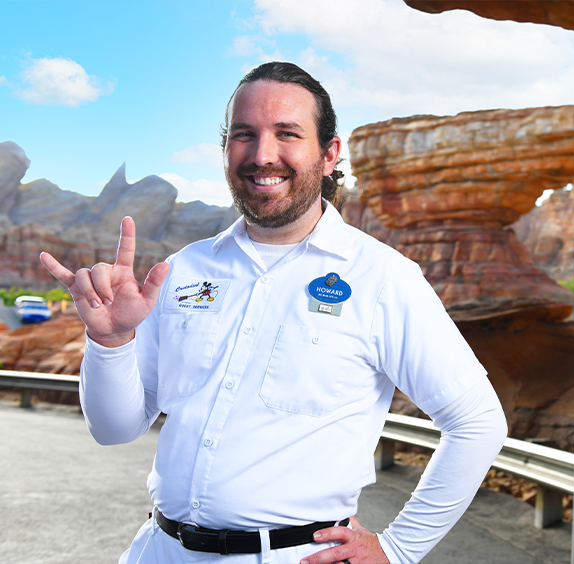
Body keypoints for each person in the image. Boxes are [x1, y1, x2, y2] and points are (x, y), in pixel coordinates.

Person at [40, 62, 507, 564]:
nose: (262, 154)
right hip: (159, 550)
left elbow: (477, 421)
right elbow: (114, 429)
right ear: (226, 148)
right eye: (244, 134)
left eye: (287, 133)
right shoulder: (183, 269)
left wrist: (398, 549)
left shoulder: (384, 278)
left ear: (329, 154)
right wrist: (111, 342)